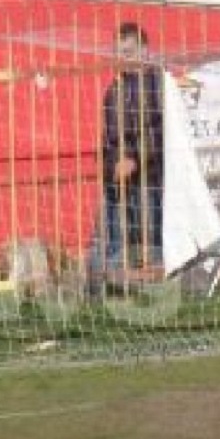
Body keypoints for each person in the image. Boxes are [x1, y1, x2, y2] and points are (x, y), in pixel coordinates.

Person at [89, 22, 164, 293]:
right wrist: (111, 165)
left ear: (145, 50)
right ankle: (106, 289)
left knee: (150, 236)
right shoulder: (115, 89)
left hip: (151, 177)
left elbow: (162, 129)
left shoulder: (159, 84)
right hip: (117, 179)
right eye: (119, 53)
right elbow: (109, 137)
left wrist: (134, 158)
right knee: (110, 236)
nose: (123, 59)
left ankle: (155, 289)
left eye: (129, 52)